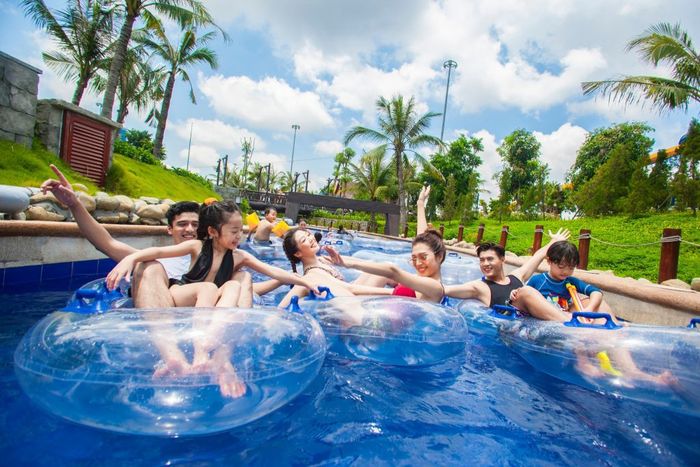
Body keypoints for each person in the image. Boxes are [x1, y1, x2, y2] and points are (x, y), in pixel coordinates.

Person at [444, 229, 571, 317]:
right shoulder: (480, 287)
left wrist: (554, 241)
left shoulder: (517, 276)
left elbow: (538, 256)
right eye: (482, 260)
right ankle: (569, 322)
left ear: (502, 260)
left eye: (490, 259)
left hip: (534, 320)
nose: (485, 263)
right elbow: (446, 289)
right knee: (526, 291)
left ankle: (571, 320)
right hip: (513, 327)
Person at [277, 228, 392, 308]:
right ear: (298, 253)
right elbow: (349, 289)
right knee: (382, 274)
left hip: (351, 295)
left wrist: (340, 261)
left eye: (308, 234)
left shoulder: (322, 260)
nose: (310, 238)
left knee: (381, 268)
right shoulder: (313, 274)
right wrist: (394, 292)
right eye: (304, 240)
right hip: (352, 303)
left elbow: (358, 263)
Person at [324, 229, 447, 304]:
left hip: (372, 326)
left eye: (423, 257)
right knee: (378, 270)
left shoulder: (435, 287)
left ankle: (342, 291)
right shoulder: (420, 280)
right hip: (373, 314)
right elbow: (422, 238)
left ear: (439, 256)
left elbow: (393, 272)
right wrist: (420, 203)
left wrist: (349, 264)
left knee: (386, 268)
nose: (418, 263)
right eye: (414, 258)